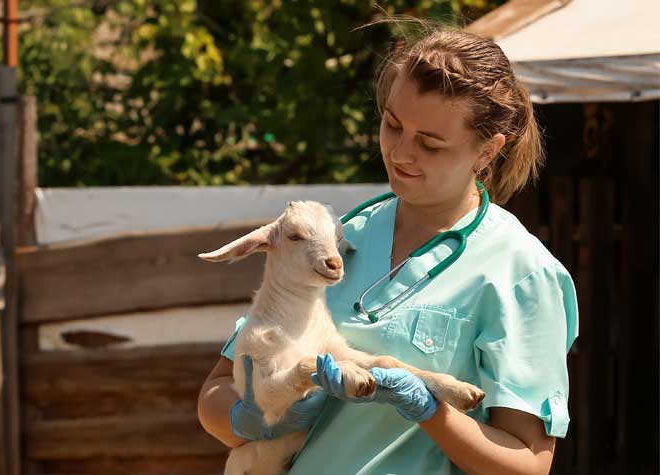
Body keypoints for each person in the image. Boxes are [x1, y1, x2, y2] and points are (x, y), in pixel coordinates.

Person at [196, 25, 578, 475]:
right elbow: (216, 392)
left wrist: (430, 410)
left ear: (487, 151)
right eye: (392, 124)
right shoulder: (335, 236)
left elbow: (526, 465)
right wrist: (250, 418)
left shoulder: (521, 272)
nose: (399, 152)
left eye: (430, 144)